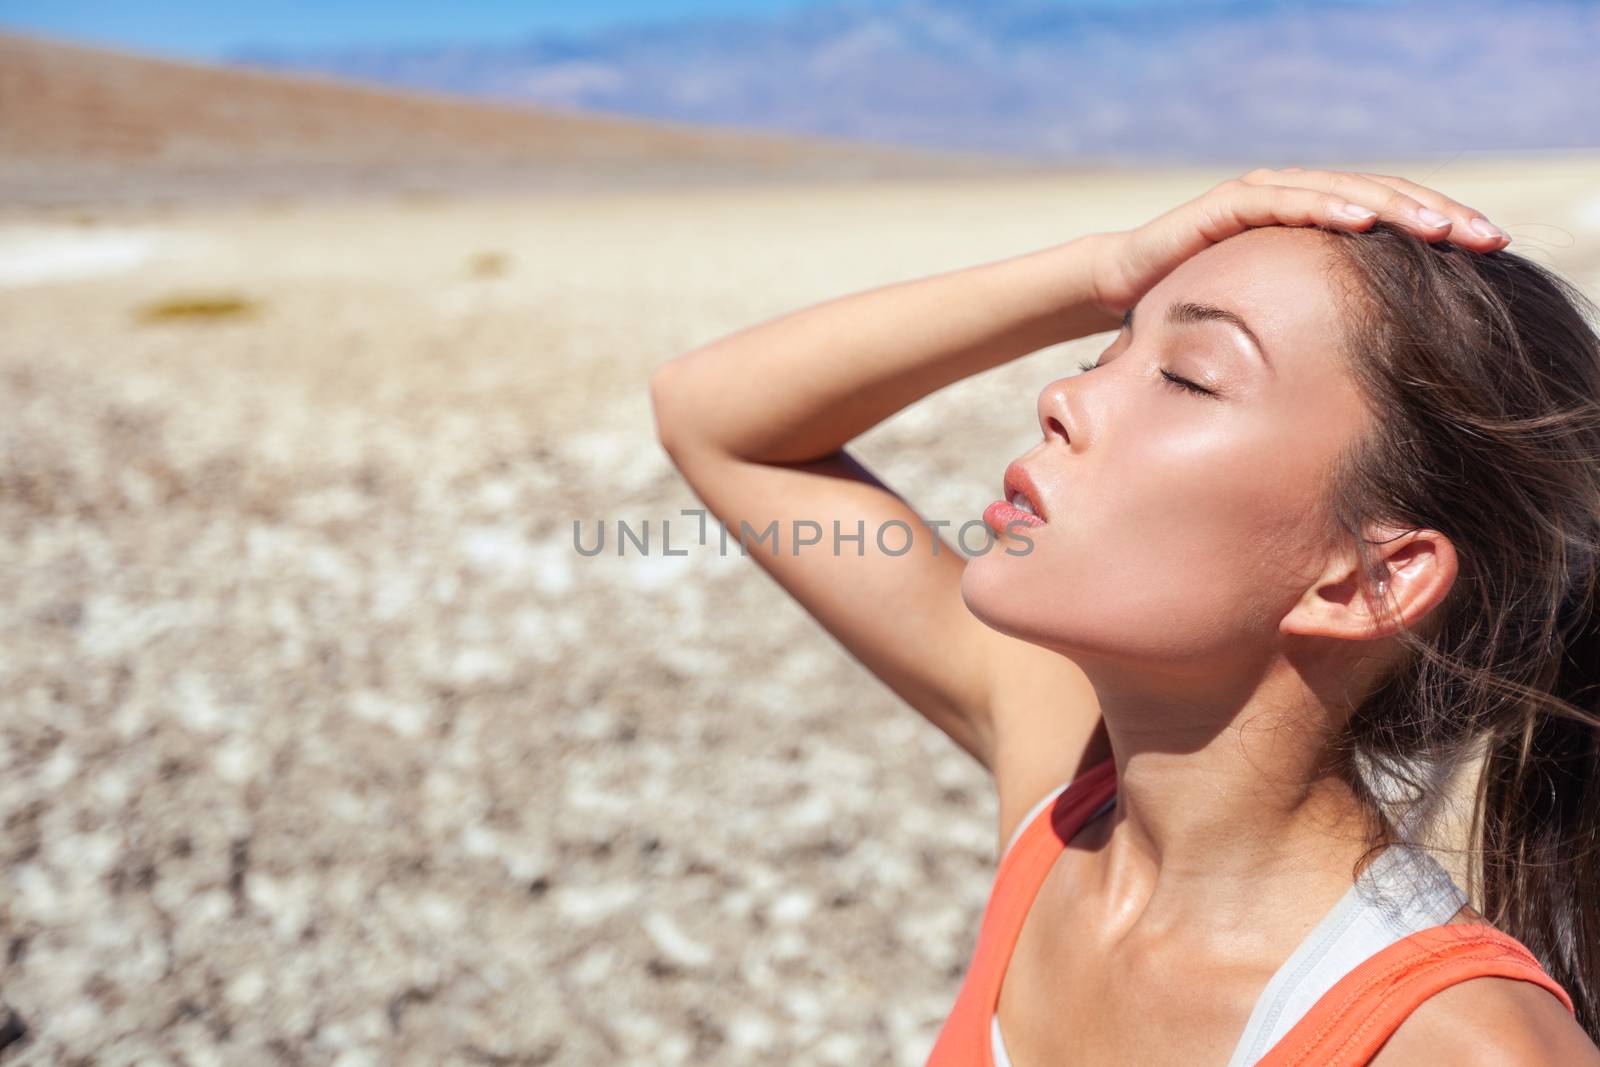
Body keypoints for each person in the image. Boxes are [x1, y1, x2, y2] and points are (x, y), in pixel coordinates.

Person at [648, 167, 1600, 1064]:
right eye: (1102, 350)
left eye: (1187, 376)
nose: (1061, 396)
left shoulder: (1456, 1044)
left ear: (1368, 580)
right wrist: (1105, 267)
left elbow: (722, 429)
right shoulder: (1065, 804)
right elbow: (713, 417)